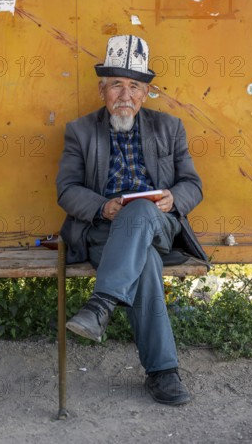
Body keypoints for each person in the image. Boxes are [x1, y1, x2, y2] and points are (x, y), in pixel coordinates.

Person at [56, 35, 208, 406]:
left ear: (146, 92)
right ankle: (162, 372)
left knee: (141, 211)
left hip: (158, 224)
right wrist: (102, 207)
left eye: (134, 87)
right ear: (102, 89)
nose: (125, 95)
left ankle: (101, 305)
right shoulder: (80, 131)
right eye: (116, 86)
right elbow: (67, 189)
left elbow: (193, 184)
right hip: (105, 230)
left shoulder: (169, 128)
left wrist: (174, 197)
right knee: (146, 264)